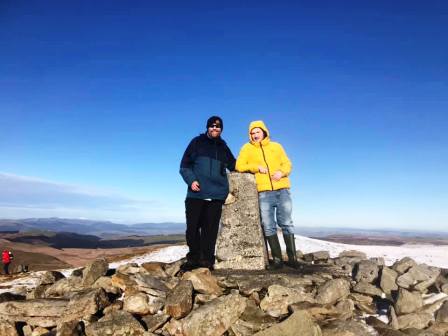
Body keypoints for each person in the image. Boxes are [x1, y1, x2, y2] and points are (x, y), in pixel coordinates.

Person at [236, 120, 298, 269]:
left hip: (282, 189)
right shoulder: (247, 148)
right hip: (263, 192)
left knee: (286, 223)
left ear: (264, 132)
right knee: (268, 225)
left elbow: (288, 164)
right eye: (252, 133)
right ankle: (277, 260)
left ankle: (293, 259)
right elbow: (239, 166)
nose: (255, 135)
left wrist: (281, 172)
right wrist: (256, 167)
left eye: (257, 132)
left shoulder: (276, 146)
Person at [179, 116, 236, 271]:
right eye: (212, 126)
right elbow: (184, 166)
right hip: (196, 194)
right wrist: (191, 180)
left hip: (216, 195)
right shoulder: (196, 143)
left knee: (210, 231)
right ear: (207, 127)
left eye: (218, 126)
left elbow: (235, 166)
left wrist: (254, 168)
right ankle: (193, 259)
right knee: (192, 229)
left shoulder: (223, 147)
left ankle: (207, 261)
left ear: (221, 129)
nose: (214, 128)